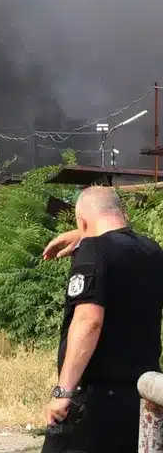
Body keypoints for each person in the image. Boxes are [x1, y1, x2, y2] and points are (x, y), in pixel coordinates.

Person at [38, 186, 163, 453]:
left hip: (97, 401)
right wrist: (81, 234)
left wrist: (63, 392)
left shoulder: (94, 251)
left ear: (82, 220)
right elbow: (121, 242)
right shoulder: (152, 250)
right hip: (142, 398)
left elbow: (88, 322)